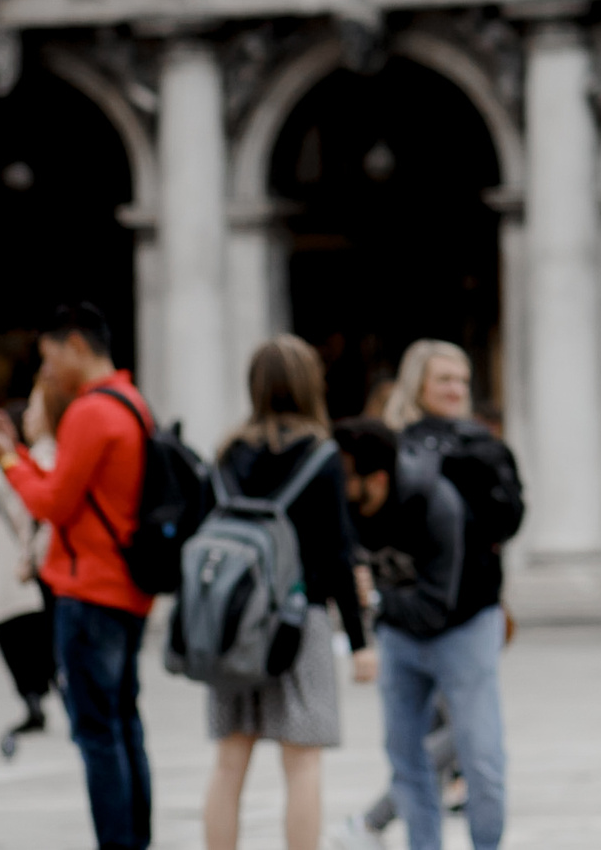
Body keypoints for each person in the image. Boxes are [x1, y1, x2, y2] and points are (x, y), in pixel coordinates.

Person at [0, 303, 161, 850]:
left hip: (88, 592)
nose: (48, 370)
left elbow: (54, 503)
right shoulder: (132, 403)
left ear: (76, 345)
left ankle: (118, 842)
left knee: (97, 734)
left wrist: (6, 462)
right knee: (124, 724)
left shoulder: (89, 412)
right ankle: (136, 838)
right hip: (124, 587)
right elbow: (73, 489)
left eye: (50, 356)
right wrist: (17, 451)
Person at [201, 337, 373, 850]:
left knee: (230, 761)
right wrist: (360, 641)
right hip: (300, 622)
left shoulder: (226, 453)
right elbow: (338, 555)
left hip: (233, 622)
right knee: (302, 761)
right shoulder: (319, 456)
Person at [356, 340, 521, 850]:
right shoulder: (389, 446)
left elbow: (510, 518)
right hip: (403, 622)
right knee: (406, 758)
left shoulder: (482, 444)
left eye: (462, 380)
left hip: (469, 619)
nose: (455, 389)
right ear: (417, 383)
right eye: (444, 378)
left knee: (482, 757)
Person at [332, 417, 477, 850]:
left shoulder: (436, 504)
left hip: (461, 630)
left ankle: (374, 823)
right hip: (399, 638)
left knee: (471, 742)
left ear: (375, 479)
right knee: (407, 754)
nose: (335, 483)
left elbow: (434, 606)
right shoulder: (348, 507)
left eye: (344, 474)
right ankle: (392, 832)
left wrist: (373, 599)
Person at [0, 390, 54, 760]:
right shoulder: (20, 462)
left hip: (19, 570)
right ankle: (38, 699)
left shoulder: (23, 463)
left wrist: (3, 454)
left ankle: (36, 701)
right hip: (20, 568)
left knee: (19, 636)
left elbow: (42, 503)